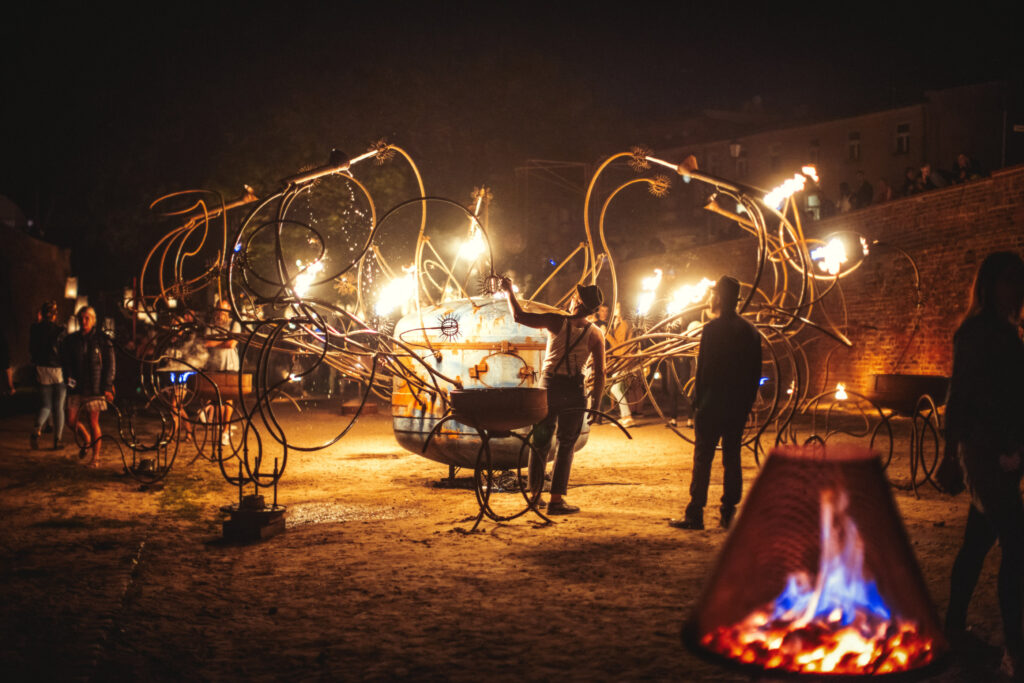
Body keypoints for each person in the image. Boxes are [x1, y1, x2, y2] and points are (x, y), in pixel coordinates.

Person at [943, 251, 1024, 676]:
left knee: (978, 542)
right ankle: (1015, 646)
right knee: (1016, 543)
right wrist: (949, 456)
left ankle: (954, 626)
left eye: (1019, 280)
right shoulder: (977, 333)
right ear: (990, 284)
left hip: (1005, 452)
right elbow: (959, 396)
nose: (1015, 288)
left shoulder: (1008, 333)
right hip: (984, 452)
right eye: (1008, 280)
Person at [501, 278, 605, 515]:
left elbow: (519, 316)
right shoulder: (596, 334)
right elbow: (600, 372)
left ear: (576, 302)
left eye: (575, 296)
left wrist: (509, 291)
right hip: (575, 391)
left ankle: (535, 496)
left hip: (548, 387)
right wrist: (597, 403)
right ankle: (556, 501)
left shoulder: (555, 321)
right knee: (566, 444)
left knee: (540, 441)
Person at [670, 276, 761, 531]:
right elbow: (755, 374)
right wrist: (746, 404)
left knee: (703, 459)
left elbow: (704, 372)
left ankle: (695, 513)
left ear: (719, 298)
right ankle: (728, 513)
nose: (710, 299)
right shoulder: (750, 331)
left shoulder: (711, 330)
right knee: (732, 457)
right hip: (736, 407)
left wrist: (697, 404)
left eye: (713, 295)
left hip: (711, 406)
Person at [61, 306, 116, 466]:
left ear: (93, 320)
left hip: (95, 386)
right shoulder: (72, 340)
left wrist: (107, 385)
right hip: (77, 386)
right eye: (82, 318)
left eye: (87, 318)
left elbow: (110, 364)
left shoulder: (102, 339)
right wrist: (69, 380)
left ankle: (95, 457)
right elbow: (67, 363)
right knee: (71, 420)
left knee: (93, 422)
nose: (84, 321)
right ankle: (86, 438)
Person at [203, 298, 242, 445]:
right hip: (214, 366)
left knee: (228, 400)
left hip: (230, 366)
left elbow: (232, 344)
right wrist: (223, 340)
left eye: (224, 310)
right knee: (217, 400)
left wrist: (217, 342)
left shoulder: (234, 324)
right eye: (218, 309)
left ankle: (225, 431)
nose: (221, 313)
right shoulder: (210, 326)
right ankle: (220, 426)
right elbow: (206, 342)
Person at [30, 301, 66, 449]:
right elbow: (64, 351)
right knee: (59, 407)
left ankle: (37, 429)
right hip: (57, 370)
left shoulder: (34, 329)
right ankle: (57, 440)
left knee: (45, 405)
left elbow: (31, 349)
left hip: (41, 369)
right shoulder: (60, 330)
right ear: (55, 315)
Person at [597, 302, 634, 427]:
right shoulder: (619, 323)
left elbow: (620, 346)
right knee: (619, 388)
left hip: (623, 360)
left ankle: (627, 416)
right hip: (620, 359)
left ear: (622, 310)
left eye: (618, 307)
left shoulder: (623, 324)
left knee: (615, 388)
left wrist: (606, 334)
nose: (615, 309)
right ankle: (625, 416)